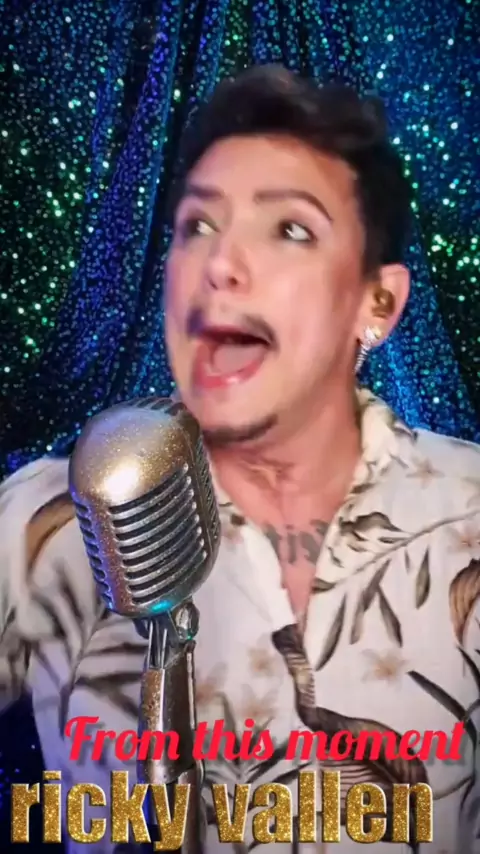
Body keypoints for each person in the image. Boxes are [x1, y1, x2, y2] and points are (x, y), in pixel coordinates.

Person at [1, 64, 480, 854]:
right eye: (196, 225)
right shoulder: (48, 521)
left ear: (379, 303)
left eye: (290, 229)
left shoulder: (466, 514)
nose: (220, 263)